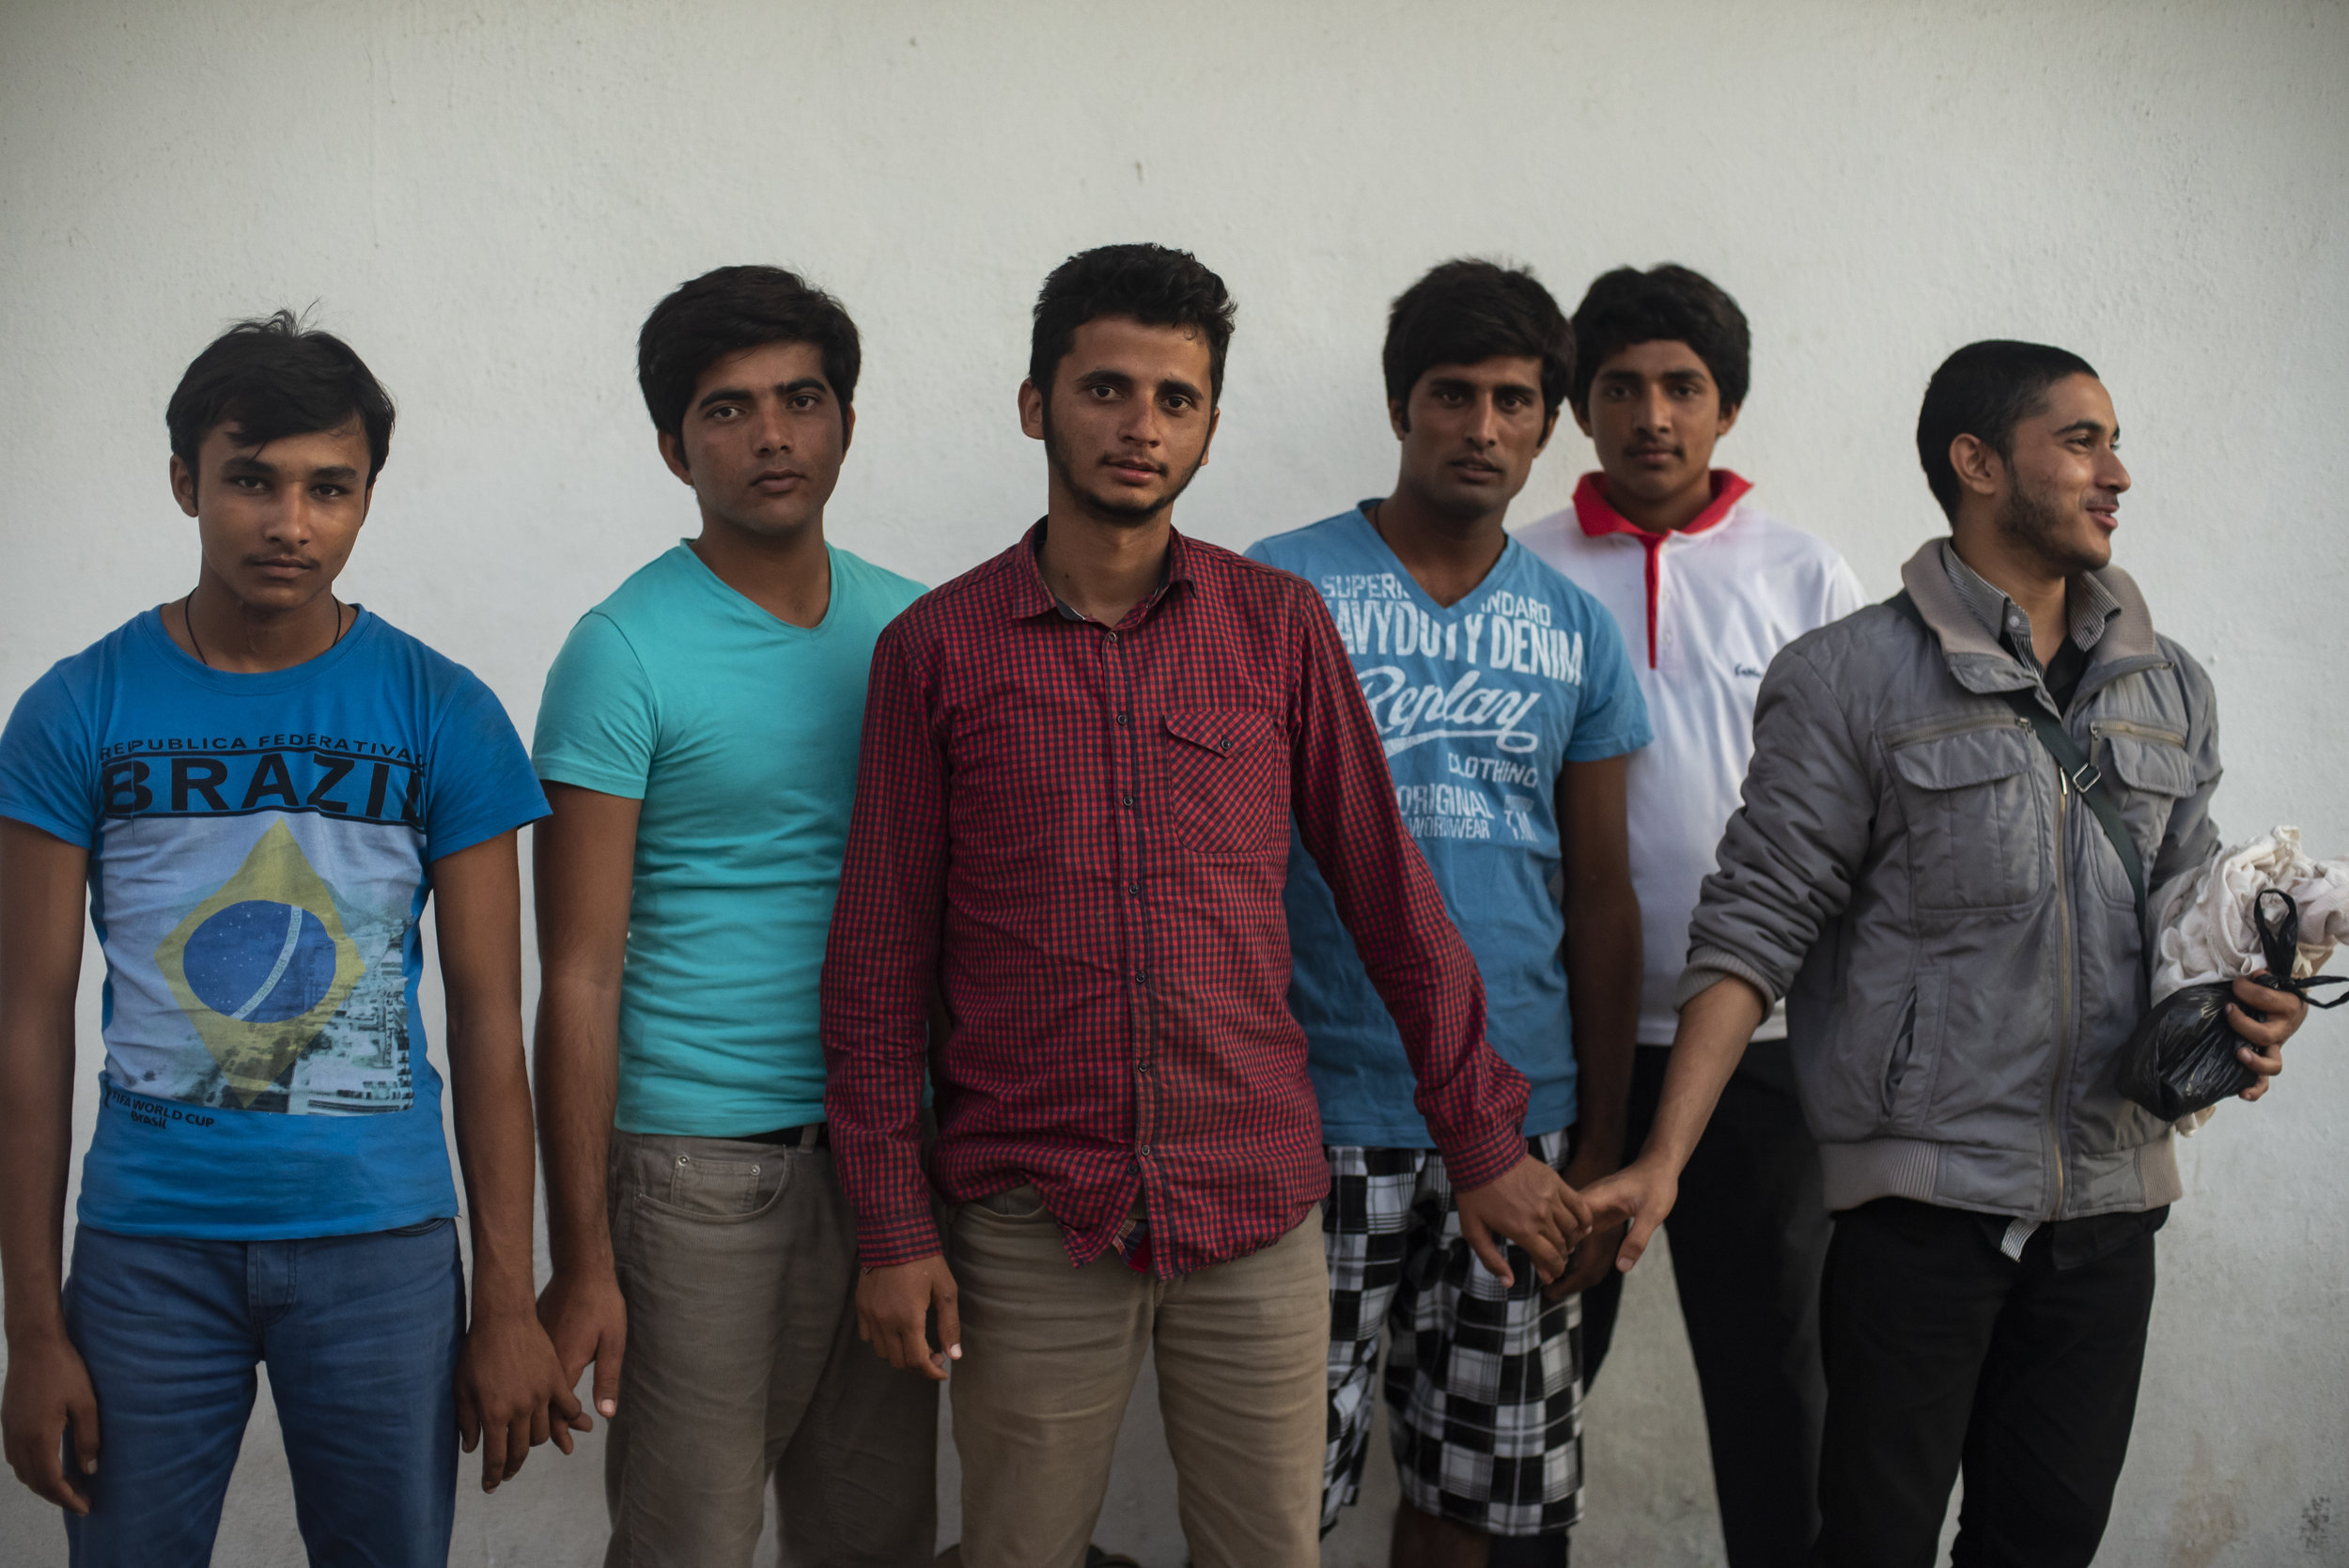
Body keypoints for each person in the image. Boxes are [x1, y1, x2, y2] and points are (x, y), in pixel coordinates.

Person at [821, 242, 1592, 1568]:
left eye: (1176, 400)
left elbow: (1389, 897)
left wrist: (1481, 1133)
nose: (1141, 426)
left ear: (1212, 426)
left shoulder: (1277, 627)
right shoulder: (936, 651)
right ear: (1034, 405)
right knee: (1018, 1551)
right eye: (1107, 388)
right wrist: (892, 1225)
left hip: (1253, 1207)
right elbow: (881, 961)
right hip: (1031, 1212)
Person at [1586, 340, 2307, 1567]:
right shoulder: (1849, 676)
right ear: (1978, 464)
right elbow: (1754, 921)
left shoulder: (2168, 685)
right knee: (1868, 1541)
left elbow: (2190, 899)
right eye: (2080, 440)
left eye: (2115, 439)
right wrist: (1663, 1156)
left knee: (2047, 1539)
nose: (2116, 471)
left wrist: (2248, 994)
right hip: (1918, 1217)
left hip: (2112, 1204)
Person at [0, 313, 578, 1568]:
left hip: (386, 1250)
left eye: (331, 487)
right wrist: (32, 1328)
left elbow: (489, 1019)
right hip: (147, 1250)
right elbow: (29, 1023)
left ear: (370, 494)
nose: (290, 521)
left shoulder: (444, 709)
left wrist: (509, 1299)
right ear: (184, 482)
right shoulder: (75, 707)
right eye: (252, 479)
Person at [529, 266, 936, 1568]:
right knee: (687, 1539)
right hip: (698, 1166)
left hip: (889, 1159)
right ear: (672, 445)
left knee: (872, 1535)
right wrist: (582, 1254)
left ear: (847, 424)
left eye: (801, 400)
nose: (771, 435)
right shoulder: (624, 650)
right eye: (727, 409)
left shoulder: (918, 630)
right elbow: (580, 973)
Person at [1245, 259, 1648, 1568]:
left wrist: (1601, 1135)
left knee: (1477, 1497)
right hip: (1316, 1111)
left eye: (1517, 401)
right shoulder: (1277, 586)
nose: (1483, 427)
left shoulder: (1579, 632)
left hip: (1517, 1113)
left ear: (1550, 422)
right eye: (1453, 394)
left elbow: (1598, 893)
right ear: (1398, 403)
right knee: (1271, 1495)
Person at [1517, 263, 1864, 1566]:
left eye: (1683, 387)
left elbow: (1854, 809)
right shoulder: (1525, 570)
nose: (1652, 414)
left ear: (1728, 410)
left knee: (1779, 1386)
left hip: (1766, 1059)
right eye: (1620, 388)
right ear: (1581, 409)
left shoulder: (1803, 575)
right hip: (1560, 1049)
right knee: (1532, 1379)